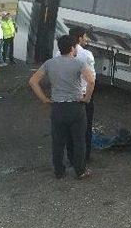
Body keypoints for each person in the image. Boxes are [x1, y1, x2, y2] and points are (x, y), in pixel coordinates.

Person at [28, 35, 95, 179]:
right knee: (79, 141)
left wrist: (44, 99)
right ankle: (80, 170)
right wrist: (86, 98)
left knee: (58, 142)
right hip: (76, 107)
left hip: (57, 108)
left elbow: (33, 81)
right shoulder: (79, 63)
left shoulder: (49, 63)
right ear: (72, 48)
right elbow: (91, 81)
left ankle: (59, 171)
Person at [70, 26, 96, 162]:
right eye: (85, 36)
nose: (87, 39)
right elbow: (92, 80)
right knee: (86, 127)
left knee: (71, 127)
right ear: (80, 38)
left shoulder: (59, 53)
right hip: (83, 96)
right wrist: (87, 99)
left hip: (68, 97)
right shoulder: (86, 55)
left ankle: (71, 155)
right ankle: (85, 157)